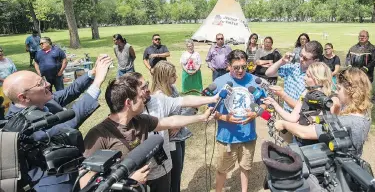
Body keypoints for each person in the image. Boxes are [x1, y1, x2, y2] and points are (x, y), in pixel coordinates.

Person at [79, 74, 215, 189]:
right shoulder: (99, 135)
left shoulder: (140, 121)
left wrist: (201, 117)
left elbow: (169, 122)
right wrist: (126, 180)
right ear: (129, 103)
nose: (145, 97)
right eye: (140, 95)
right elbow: (83, 182)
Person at [3, 55, 111, 192]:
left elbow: (69, 92)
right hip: (53, 184)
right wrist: (98, 82)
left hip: (69, 170)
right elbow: (69, 122)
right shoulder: (21, 127)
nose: (47, 84)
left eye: (42, 80)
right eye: (40, 84)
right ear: (23, 97)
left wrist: (92, 72)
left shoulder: (40, 100)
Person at [269, 68, 371, 157]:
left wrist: (284, 124)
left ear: (350, 91)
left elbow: (304, 133)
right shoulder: (364, 116)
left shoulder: (347, 121)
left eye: (339, 89)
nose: (337, 92)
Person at [147, 61, 216, 192]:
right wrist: (174, 125)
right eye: (173, 75)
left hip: (180, 137)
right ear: (165, 77)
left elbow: (179, 112)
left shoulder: (172, 90)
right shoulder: (157, 97)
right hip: (170, 142)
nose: (176, 77)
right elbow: (158, 123)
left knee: (178, 172)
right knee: (173, 176)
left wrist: (194, 108)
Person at [212, 49, 265, 192]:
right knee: (222, 170)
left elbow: (264, 104)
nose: (240, 70)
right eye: (236, 67)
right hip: (227, 137)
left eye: (244, 66)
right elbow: (210, 110)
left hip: (248, 135)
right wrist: (224, 117)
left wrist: (256, 113)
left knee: (245, 167)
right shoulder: (220, 82)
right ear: (228, 65)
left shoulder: (254, 81)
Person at [263, 62, 341, 146]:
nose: (304, 78)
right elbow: (292, 118)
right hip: (300, 142)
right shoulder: (306, 93)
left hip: (320, 147)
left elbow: (314, 129)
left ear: (318, 79)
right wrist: (274, 104)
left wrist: (285, 124)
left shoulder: (332, 100)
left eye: (308, 76)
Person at [265, 40, 324, 112]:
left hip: (301, 118)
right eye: (300, 55)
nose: (301, 59)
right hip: (285, 113)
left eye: (305, 58)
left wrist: (283, 95)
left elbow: (303, 108)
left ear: (316, 60)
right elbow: (268, 73)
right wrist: (282, 61)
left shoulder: (315, 79)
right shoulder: (293, 67)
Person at [0, 47, 17, 117]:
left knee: (14, 99)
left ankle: (14, 114)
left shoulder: (8, 60)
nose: (0, 53)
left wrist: (13, 78)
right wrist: (4, 80)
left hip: (11, 84)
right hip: (1, 86)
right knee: (4, 102)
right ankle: (6, 116)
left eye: (1, 51)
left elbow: (14, 69)